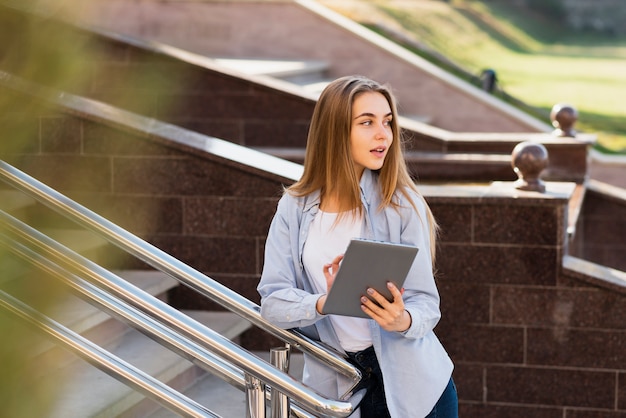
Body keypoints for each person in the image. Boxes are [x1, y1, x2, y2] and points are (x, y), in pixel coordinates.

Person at [258, 75, 457, 417]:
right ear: (334, 131)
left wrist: (402, 319)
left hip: (417, 391)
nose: (383, 134)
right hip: (342, 388)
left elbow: (427, 304)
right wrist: (323, 302)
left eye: (387, 122)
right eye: (367, 122)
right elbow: (272, 304)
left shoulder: (401, 205)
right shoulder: (293, 208)